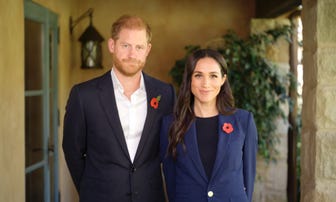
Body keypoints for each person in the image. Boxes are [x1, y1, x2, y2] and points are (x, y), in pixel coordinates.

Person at [62, 14, 175, 202]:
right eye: (125, 46)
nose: (132, 54)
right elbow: (72, 150)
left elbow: (171, 150)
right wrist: (90, 190)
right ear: (112, 46)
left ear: (147, 50)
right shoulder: (84, 96)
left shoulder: (166, 94)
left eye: (139, 47)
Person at [160, 49, 258, 202]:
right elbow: (171, 179)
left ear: (223, 79)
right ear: (189, 79)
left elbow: (248, 177)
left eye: (213, 76)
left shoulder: (243, 121)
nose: (206, 84)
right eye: (198, 75)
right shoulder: (171, 124)